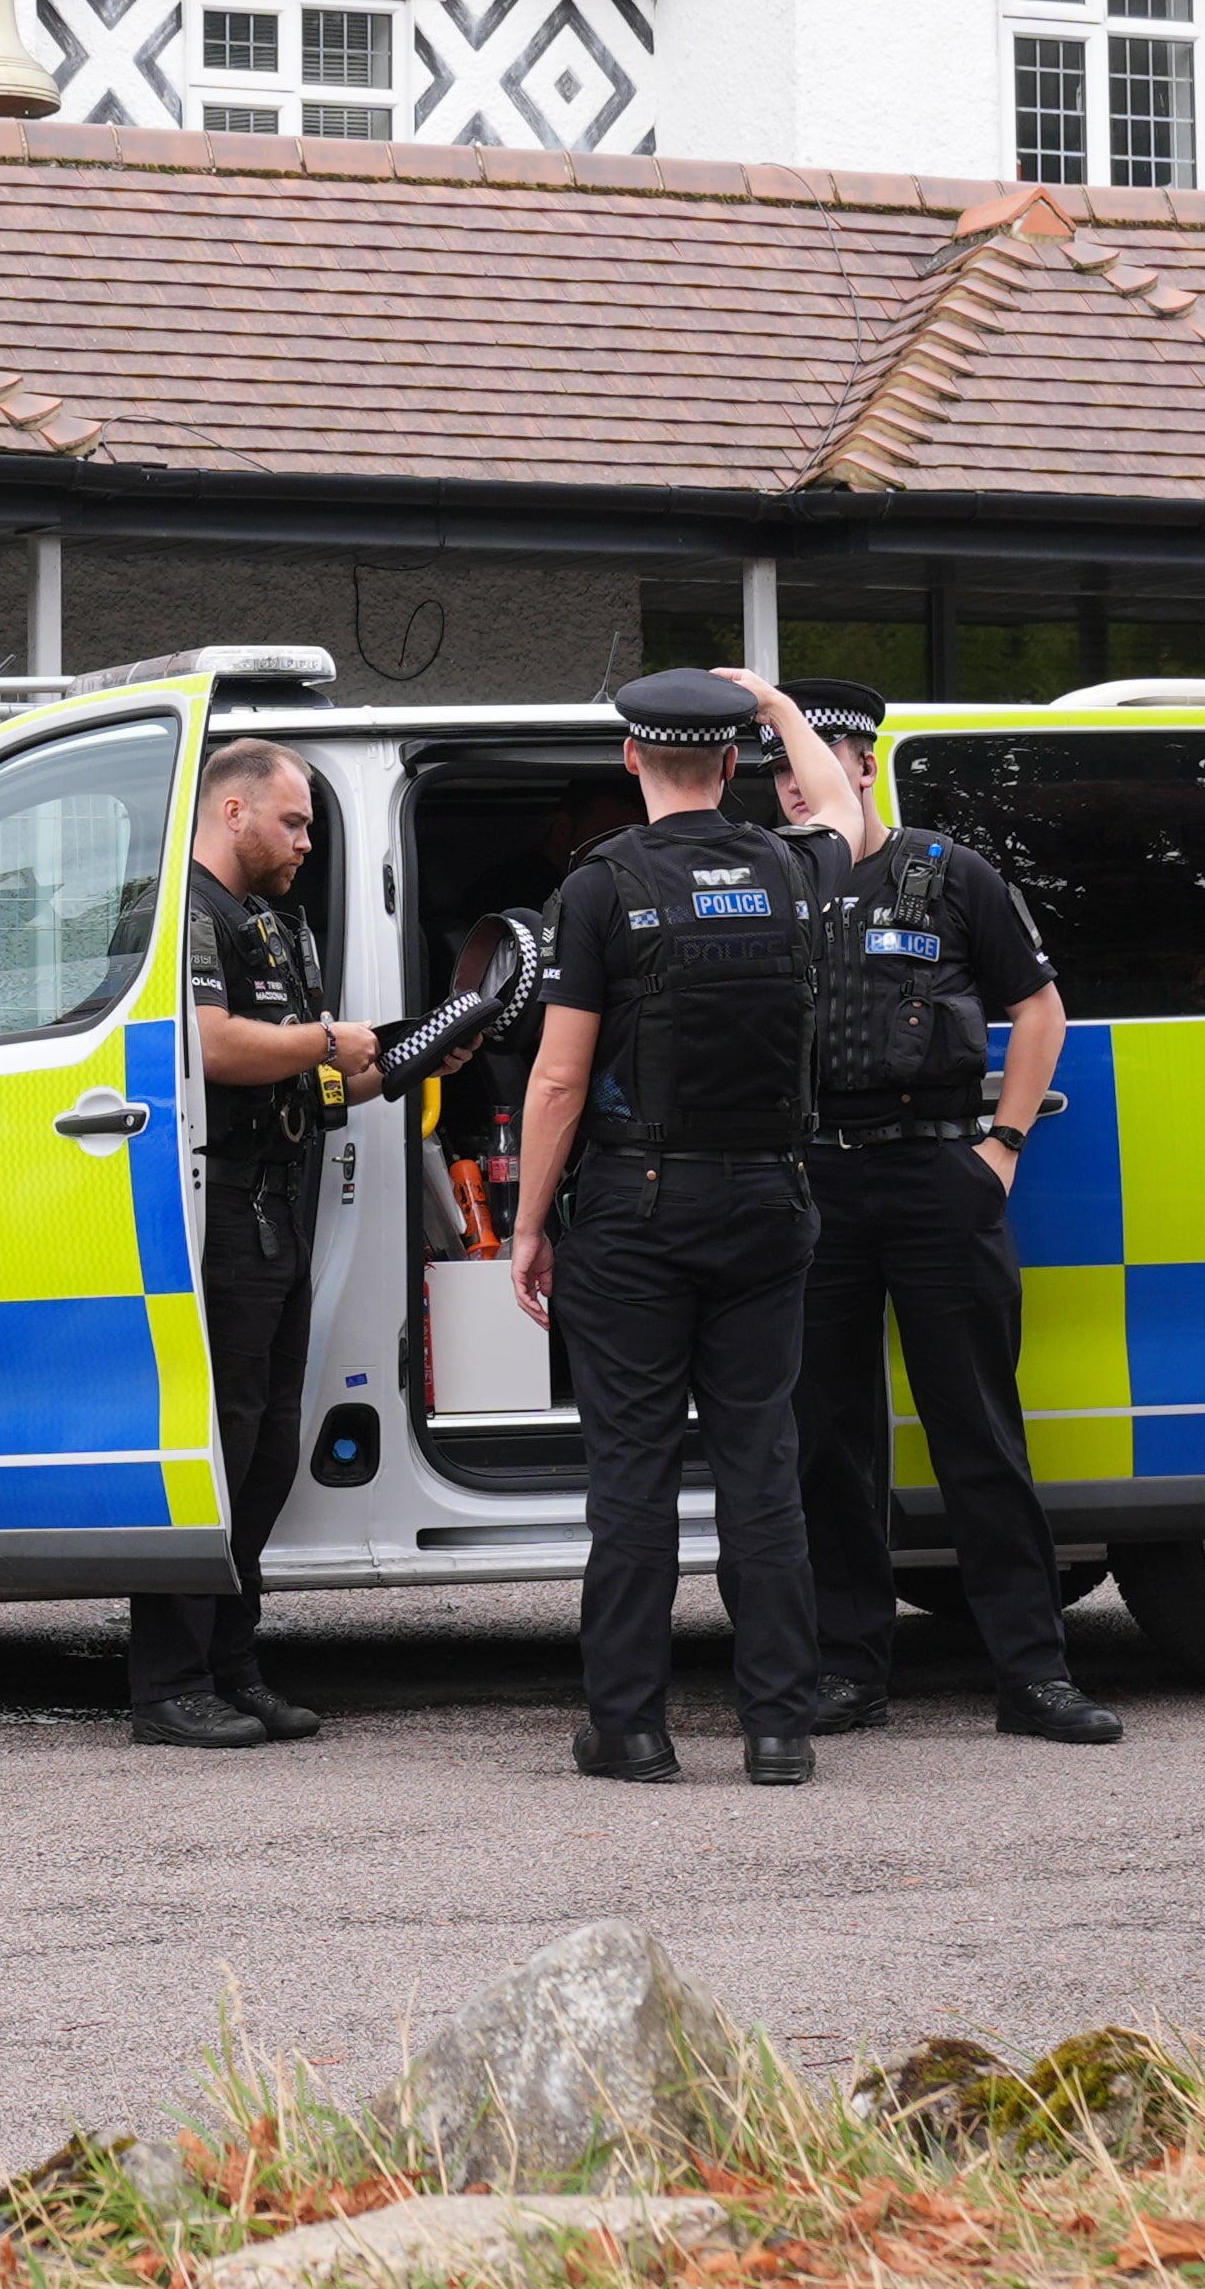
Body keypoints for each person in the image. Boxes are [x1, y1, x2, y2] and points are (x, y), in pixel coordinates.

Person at [506, 665, 869, 1787]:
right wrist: (775, 703)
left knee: (634, 1472)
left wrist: (527, 1226)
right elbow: (846, 809)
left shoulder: (601, 888)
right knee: (762, 1466)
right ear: (731, 764)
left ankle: (632, 1727)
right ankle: (778, 1729)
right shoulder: (795, 870)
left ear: (629, 760)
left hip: (635, 1216)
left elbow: (560, 1081)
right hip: (768, 1205)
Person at [772, 683, 1121, 1750]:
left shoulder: (949, 873)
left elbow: (1040, 1006)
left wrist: (1002, 1147)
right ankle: (848, 1671)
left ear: (862, 766)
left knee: (978, 1431)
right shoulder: (773, 883)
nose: (791, 789)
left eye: (810, 766)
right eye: (779, 774)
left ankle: (1034, 1675)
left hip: (935, 1176)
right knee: (829, 1444)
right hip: (817, 1182)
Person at [124, 738, 377, 1750]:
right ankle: (169, 1684)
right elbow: (212, 1042)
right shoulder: (187, 912)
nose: (307, 841)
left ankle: (233, 1667)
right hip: (218, 1210)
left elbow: (304, 1076)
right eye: (293, 821)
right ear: (232, 813)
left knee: (268, 1451)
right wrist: (326, 1041)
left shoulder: (275, 924)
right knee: (217, 1450)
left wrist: (395, 1056)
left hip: (279, 1203)